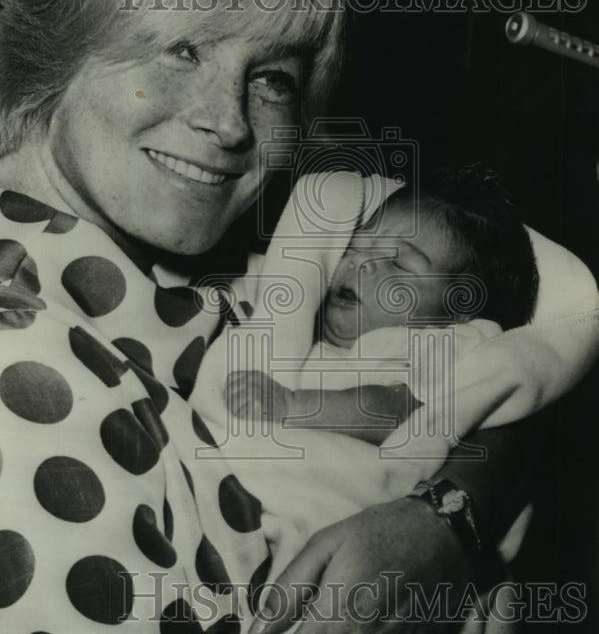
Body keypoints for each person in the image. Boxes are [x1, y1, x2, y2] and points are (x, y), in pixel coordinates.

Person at [0, 0, 599, 634]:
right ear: (63, 31)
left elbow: (528, 346)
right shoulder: (7, 356)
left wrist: (445, 522)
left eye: (273, 76)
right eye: (183, 48)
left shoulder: (176, 284)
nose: (231, 120)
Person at [226, 165, 539, 440]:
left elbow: (399, 411)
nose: (361, 262)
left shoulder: (434, 345)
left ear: (460, 311)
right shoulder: (301, 316)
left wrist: (292, 406)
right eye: (355, 246)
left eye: (399, 263)